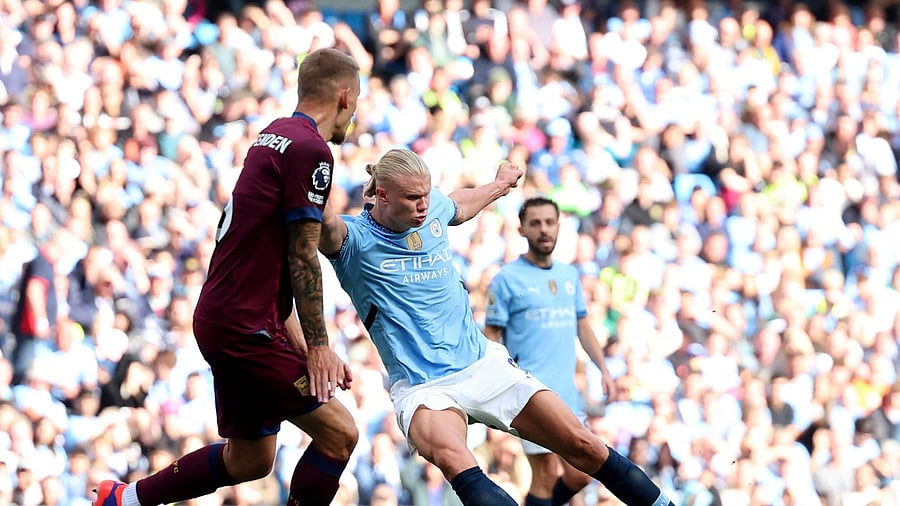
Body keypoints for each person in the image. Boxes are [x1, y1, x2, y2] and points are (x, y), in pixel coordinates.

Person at [319, 148, 674, 506]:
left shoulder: (432, 211)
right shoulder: (353, 240)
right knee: (457, 459)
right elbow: (318, 221)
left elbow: (459, 204)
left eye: (426, 194)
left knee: (585, 446)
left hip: (481, 363)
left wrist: (501, 184)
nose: (424, 205)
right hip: (423, 386)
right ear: (381, 195)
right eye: (412, 198)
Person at [94, 47, 362, 506]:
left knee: (251, 460)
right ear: (343, 96)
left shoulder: (273, 136)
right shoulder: (311, 150)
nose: (353, 115)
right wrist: (317, 349)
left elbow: (269, 265)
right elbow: (302, 256)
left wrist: (308, 343)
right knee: (340, 434)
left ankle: (124, 499)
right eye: (355, 102)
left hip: (231, 316)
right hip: (244, 328)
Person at [483, 196, 617, 506]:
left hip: (567, 393)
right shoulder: (506, 279)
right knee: (543, 475)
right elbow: (491, 336)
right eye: (535, 223)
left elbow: (582, 325)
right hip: (531, 395)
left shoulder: (569, 275)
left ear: (559, 226)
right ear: (522, 230)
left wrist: (604, 370)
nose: (544, 230)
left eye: (549, 222)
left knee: (582, 472)